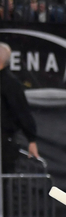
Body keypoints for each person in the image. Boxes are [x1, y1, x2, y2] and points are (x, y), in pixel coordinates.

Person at [0, 43, 41, 174]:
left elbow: (21, 111)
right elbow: (22, 111)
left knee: (5, 176)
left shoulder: (9, 83)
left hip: (4, 142)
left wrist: (31, 138)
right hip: (5, 140)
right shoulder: (11, 83)